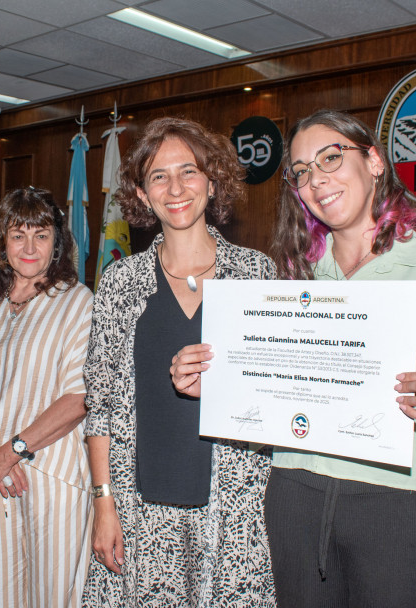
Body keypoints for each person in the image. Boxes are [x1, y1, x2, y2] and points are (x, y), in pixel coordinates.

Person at [173, 109, 416, 607]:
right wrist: (219, 384)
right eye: (302, 171)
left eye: (331, 158)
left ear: (374, 162)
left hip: (397, 504)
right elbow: (271, 393)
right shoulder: (293, 278)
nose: (317, 179)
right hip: (296, 495)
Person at [82, 117, 277, 607]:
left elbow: (274, 392)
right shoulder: (119, 283)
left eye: (188, 172)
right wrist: (103, 502)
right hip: (140, 507)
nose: (175, 188)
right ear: (143, 196)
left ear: (212, 182)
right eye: (158, 176)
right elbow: (100, 403)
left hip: (234, 507)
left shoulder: (257, 274)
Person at [0, 187, 94, 608]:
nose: (30, 247)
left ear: (57, 243)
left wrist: (12, 450)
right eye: (18, 234)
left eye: (42, 234)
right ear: (1, 241)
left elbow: (79, 398)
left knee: (51, 598)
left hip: (52, 478)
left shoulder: (78, 303)